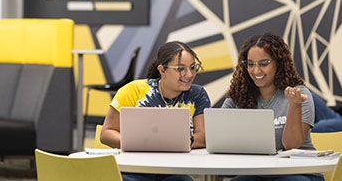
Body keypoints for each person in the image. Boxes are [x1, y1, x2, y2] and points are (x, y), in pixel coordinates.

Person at [101, 41, 211, 181]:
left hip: (173, 170)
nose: (189, 74)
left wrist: (177, 142)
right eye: (180, 69)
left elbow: (204, 137)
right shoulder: (133, 91)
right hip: (134, 168)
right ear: (162, 70)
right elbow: (106, 133)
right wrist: (135, 142)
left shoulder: (197, 94)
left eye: (193, 67)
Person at [223, 32, 324, 181]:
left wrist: (294, 106)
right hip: (257, 173)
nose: (256, 71)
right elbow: (220, 140)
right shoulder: (237, 97)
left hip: (299, 172)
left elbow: (291, 145)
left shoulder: (300, 94)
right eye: (250, 64)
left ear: (279, 62)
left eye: (264, 63)